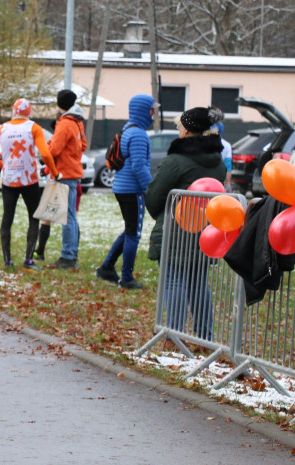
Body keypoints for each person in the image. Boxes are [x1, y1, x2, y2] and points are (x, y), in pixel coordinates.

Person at [145, 107, 226, 339]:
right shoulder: (217, 163)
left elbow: (153, 196)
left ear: (188, 130)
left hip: (175, 231)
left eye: (180, 126)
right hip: (205, 233)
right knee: (199, 284)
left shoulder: (176, 162)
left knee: (173, 281)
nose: (178, 130)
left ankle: (174, 336)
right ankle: (204, 337)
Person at [0, 98, 59, 270]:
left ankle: (7, 260)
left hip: (9, 180)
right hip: (29, 179)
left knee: (7, 218)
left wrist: (3, 165)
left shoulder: (4, 128)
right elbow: (45, 154)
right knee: (33, 217)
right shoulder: (33, 127)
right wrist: (54, 171)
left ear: (14, 111)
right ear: (29, 112)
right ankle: (28, 260)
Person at [96, 94, 157, 289]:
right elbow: (139, 167)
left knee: (129, 230)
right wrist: (151, 189)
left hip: (122, 187)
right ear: (143, 111)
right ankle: (127, 278)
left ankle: (106, 268)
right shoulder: (138, 134)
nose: (154, 114)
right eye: (152, 110)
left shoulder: (128, 129)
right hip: (132, 189)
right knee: (134, 233)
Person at [46, 89, 87, 270]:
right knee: (71, 215)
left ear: (59, 103)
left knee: (67, 216)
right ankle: (72, 252)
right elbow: (83, 145)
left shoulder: (64, 123)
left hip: (65, 173)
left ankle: (68, 256)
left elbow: (54, 150)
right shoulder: (77, 122)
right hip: (74, 171)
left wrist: (47, 147)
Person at [208, 106, 232, 191]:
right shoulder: (227, 145)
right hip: (219, 180)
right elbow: (228, 166)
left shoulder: (202, 143)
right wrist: (228, 183)